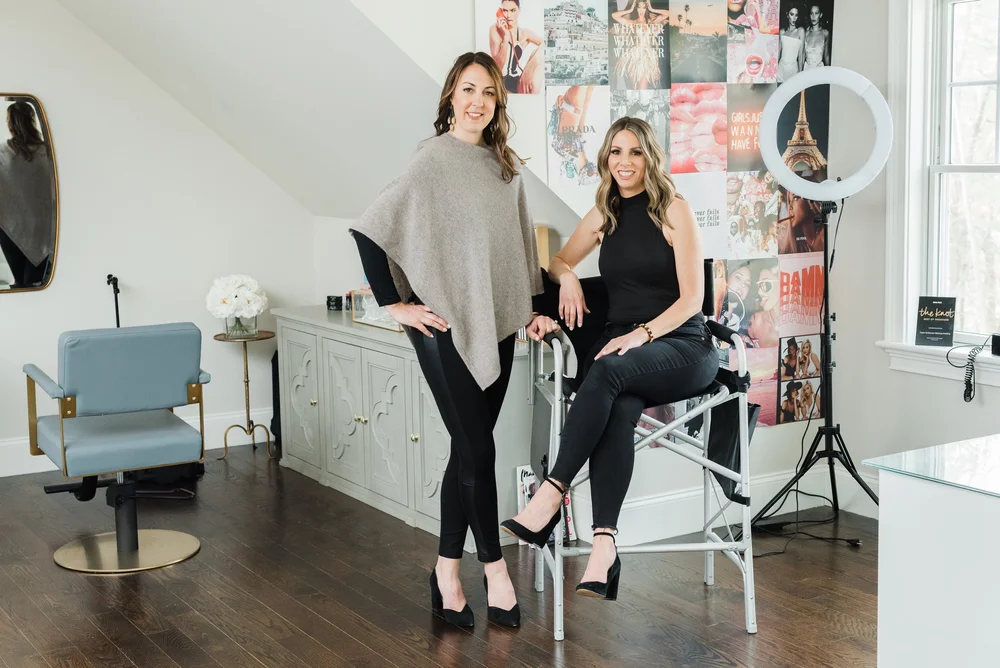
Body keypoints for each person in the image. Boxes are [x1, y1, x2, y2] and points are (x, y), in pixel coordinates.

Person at [348, 52, 558, 629]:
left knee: (468, 450)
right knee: (480, 451)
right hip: (442, 329)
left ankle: (444, 574)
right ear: (450, 97)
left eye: (488, 93)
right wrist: (394, 304)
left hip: (497, 322)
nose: (477, 102)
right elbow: (370, 230)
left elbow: (519, 249)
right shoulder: (430, 161)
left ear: (498, 104)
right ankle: (494, 570)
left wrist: (534, 308)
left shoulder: (504, 168)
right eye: (468, 90)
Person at [500, 117, 718, 600]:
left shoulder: (674, 210)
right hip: (626, 349)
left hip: (682, 344)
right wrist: (568, 278)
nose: (624, 162)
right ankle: (604, 546)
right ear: (605, 158)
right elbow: (560, 262)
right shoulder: (605, 212)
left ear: (650, 158)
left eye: (635, 152)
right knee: (616, 406)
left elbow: (692, 300)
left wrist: (642, 334)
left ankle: (550, 495)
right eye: (616, 152)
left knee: (606, 369)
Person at [0, 100, 55, 289]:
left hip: (11, 227)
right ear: (32, 120)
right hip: (43, 226)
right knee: (35, 283)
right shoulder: (48, 152)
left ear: (10, 124)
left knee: (22, 284)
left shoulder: (2, 153)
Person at [488, 0, 543, 94]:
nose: (508, 15)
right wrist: (505, 37)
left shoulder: (524, 33)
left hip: (516, 81)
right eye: (505, 10)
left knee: (541, 57)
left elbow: (545, 44)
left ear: (519, 10)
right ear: (500, 11)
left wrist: (531, 64)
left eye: (512, 10)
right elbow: (498, 66)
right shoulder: (495, 30)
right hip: (499, 82)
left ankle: (533, 99)